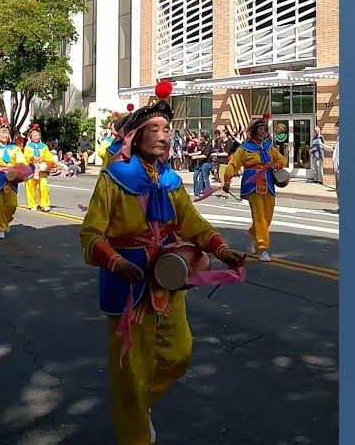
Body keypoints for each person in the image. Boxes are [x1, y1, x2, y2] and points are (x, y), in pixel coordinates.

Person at [80, 93, 247, 445]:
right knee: (130, 370)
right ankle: (136, 434)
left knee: (179, 354)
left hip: (167, 279)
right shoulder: (114, 178)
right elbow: (91, 234)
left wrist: (221, 248)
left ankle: (140, 405)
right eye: (154, 128)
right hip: (127, 285)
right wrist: (117, 261)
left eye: (167, 129)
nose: (163, 135)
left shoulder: (171, 181)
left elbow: (192, 223)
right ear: (136, 137)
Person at [229, 115, 288, 262]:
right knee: (260, 217)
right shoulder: (244, 148)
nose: (263, 132)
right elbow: (233, 165)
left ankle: (251, 233)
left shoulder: (269, 147)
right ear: (254, 132)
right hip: (253, 184)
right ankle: (262, 248)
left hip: (268, 183)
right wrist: (226, 180)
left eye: (264, 129)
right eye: (260, 129)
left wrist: (276, 164)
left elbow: (282, 159)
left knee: (268, 216)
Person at [23, 123, 57, 212]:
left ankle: (45, 204)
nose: (36, 137)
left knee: (43, 186)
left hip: (42, 168)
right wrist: (33, 158)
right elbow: (27, 155)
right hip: (31, 169)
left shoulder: (44, 146)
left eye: (37, 135)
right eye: (34, 135)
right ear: (31, 137)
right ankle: (32, 204)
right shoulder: (28, 147)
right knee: (31, 187)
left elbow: (48, 156)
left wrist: (54, 162)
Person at [192, 132, 214, 197]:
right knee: (200, 178)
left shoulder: (208, 146)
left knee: (205, 178)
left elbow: (205, 155)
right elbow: (200, 152)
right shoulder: (203, 145)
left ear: (205, 138)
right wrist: (192, 154)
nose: (200, 139)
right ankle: (199, 191)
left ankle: (207, 191)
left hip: (206, 163)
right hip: (202, 163)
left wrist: (196, 157)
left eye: (202, 137)